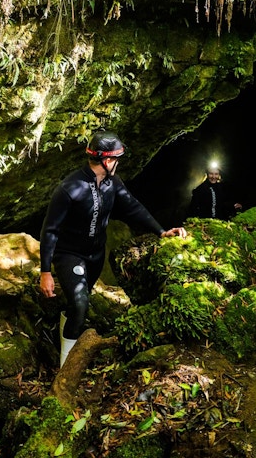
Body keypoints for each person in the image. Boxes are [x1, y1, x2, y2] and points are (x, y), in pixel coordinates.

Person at [40, 130, 187, 366]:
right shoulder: (69, 188)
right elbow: (50, 230)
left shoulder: (112, 183)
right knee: (80, 304)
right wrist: (45, 272)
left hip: (96, 255)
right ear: (107, 161)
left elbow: (133, 207)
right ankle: (66, 365)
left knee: (78, 304)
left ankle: (67, 321)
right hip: (70, 255)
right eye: (116, 159)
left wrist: (161, 231)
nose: (117, 164)